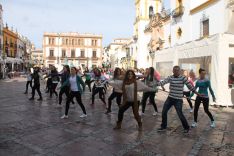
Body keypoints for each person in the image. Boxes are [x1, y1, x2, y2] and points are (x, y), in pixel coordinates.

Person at [157, 66, 200, 133]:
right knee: (164, 112)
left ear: (179, 71)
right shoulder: (170, 77)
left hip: (178, 100)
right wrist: (154, 84)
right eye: (175, 70)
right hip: (170, 98)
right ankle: (163, 126)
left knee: (180, 114)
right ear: (173, 71)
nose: (176, 72)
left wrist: (197, 93)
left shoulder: (183, 78)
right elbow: (163, 82)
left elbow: (190, 86)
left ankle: (186, 127)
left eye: (177, 70)